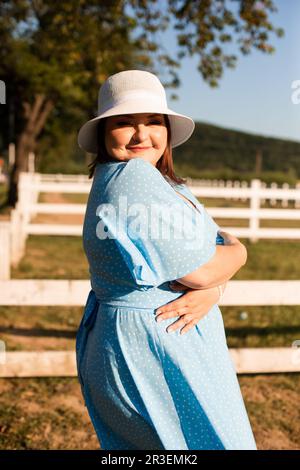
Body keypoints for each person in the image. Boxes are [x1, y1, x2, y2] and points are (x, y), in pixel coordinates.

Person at [75, 69, 257, 450]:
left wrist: (213, 289)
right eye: (125, 123)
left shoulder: (154, 182)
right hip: (155, 346)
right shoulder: (133, 179)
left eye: (154, 122)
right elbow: (204, 266)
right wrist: (238, 256)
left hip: (150, 339)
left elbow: (208, 250)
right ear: (104, 132)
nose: (143, 135)